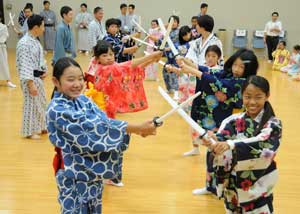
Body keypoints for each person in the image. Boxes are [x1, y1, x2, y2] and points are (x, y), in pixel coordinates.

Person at [47, 57, 159, 213]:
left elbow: (103, 121)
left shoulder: (83, 100)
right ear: (56, 81)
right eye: (70, 80)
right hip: (72, 170)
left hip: (91, 169)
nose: (78, 84)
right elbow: (93, 129)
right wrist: (135, 128)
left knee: (93, 207)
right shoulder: (57, 109)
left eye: (81, 79)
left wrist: (137, 129)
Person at [175, 48, 258, 195]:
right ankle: (211, 187)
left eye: (241, 67)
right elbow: (209, 71)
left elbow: (219, 85)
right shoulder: (227, 73)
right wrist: (185, 61)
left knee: (227, 157)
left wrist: (192, 70)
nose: (237, 69)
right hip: (221, 121)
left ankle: (225, 188)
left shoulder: (243, 82)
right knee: (212, 152)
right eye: (235, 65)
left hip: (234, 125)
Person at [202, 75, 282, 213]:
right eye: (247, 96)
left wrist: (231, 145)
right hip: (232, 183)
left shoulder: (273, 124)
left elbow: (263, 143)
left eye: (258, 97)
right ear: (242, 96)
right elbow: (221, 139)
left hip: (258, 181)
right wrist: (213, 141)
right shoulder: (232, 120)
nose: (252, 102)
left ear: (267, 96)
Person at [86, 40, 163, 118]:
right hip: (102, 104)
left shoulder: (113, 66)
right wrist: (151, 56)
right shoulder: (103, 69)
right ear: (97, 58)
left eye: (111, 54)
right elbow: (128, 65)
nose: (109, 58)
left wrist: (152, 60)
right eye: (104, 55)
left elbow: (134, 68)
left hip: (109, 103)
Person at [16, 14, 47, 139]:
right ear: (36, 27)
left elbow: (39, 60)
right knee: (30, 104)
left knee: (41, 102)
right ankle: (29, 131)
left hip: (37, 77)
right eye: (43, 26)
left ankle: (41, 126)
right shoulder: (24, 43)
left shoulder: (34, 41)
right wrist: (30, 83)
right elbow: (25, 64)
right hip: (29, 79)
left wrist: (43, 70)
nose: (44, 28)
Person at [162, 15, 180, 100]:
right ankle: (169, 89)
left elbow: (179, 44)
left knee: (175, 74)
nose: (173, 23)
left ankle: (176, 92)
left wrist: (170, 48)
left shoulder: (179, 32)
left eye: (175, 22)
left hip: (176, 57)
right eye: (171, 22)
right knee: (165, 71)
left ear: (178, 23)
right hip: (168, 57)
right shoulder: (166, 32)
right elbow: (162, 41)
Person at [0, 11, 16, 88]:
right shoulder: (3, 27)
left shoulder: (3, 27)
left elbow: (5, 37)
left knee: (4, 64)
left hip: (1, 48)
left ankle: (8, 81)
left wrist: (5, 28)